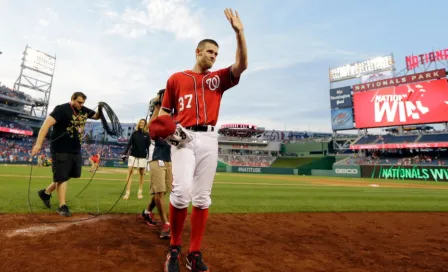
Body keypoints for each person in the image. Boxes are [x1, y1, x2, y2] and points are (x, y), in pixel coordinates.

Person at [153, 8, 248, 272]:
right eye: (210, 52)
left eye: (217, 54)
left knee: (203, 198)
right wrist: (168, 130)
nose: (214, 57)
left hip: (209, 138)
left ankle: (193, 253)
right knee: (182, 192)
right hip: (183, 137)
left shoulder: (218, 79)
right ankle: (174, 247)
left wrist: (240, 33)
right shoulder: (176, 79)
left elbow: (242, 66)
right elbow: (164, 113)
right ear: (198, 52)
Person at [31, 92, 102, 217]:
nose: (81, 105)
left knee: (68, 174)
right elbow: (45, 125)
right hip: (60, 148)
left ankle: (45, 193)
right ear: (72, 99)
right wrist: (38, 144)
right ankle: (62, 206)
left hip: (75, 149)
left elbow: (97, 116)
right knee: (62, 177)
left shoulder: (83, 110)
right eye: (79, 102)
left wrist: (101, 108)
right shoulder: (61, 109)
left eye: (83, 103)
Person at [139, 91, 172, 239]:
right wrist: (157, 104)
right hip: (156, 155)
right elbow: (150, 128)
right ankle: (166, 223)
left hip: (170, 157)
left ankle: (146, 212)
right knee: (159, 192)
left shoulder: (172, 111)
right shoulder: (158, 110)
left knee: (163, 191)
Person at [122, 118, 151, 200]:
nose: (141, 124)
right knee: (130, 172)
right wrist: (125, 153)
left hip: (142, 156)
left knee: (141, 173)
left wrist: (150, 157)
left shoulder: (147, 134)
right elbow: (129, 144)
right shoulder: (134, 133)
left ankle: (140, 191)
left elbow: (149, 147)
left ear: (145, 125)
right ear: (139, 124)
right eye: (140, 123)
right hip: (133, 155)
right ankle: (127, 192)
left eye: (143, 123)